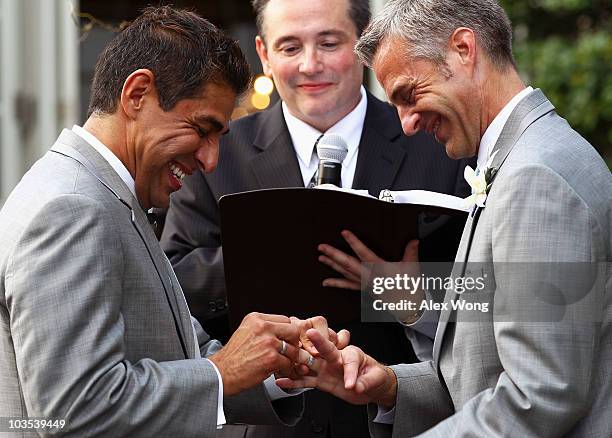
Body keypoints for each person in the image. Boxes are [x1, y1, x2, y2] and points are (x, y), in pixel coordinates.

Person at [0, 7, 344, 436]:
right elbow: (74, 412)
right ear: (137, 93)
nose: (211, 159)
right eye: (202, 128)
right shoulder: (72, 208)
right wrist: (223, 370)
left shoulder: (103, 194)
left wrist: (275, 366)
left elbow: (174, 351)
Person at [278, 0, 612, 436]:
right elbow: (488, 374)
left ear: (463, 49)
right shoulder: (523, 161)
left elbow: (540, 396)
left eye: (408, 95)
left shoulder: (535, 176)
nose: (407, 123)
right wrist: (389, 385)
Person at [161, 0, 469, 435]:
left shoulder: (436, 142)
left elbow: (482, 289)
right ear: (264, 54)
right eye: (289, 47)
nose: (310, 65)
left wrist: (399, 293)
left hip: (399, 419)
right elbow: (174, 283)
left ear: (363, 45)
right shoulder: (216, 151)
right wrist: (278, 256)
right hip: (263, 424)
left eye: (328, 43)